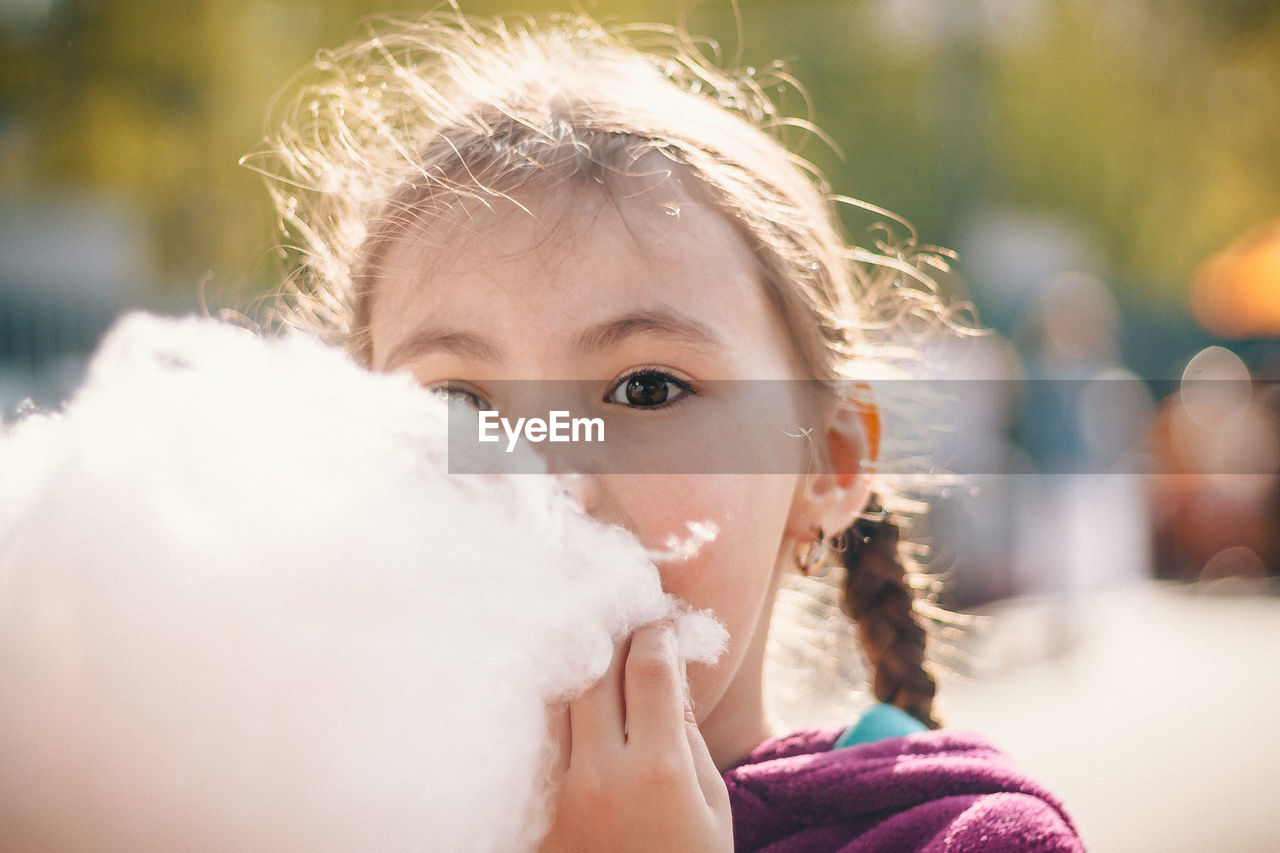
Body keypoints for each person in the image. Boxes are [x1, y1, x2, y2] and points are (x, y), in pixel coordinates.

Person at [251, 9, 1085, 851]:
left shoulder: (967, 834)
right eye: (458, 407)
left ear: (826, 463)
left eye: (646, 388)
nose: (547, 476)